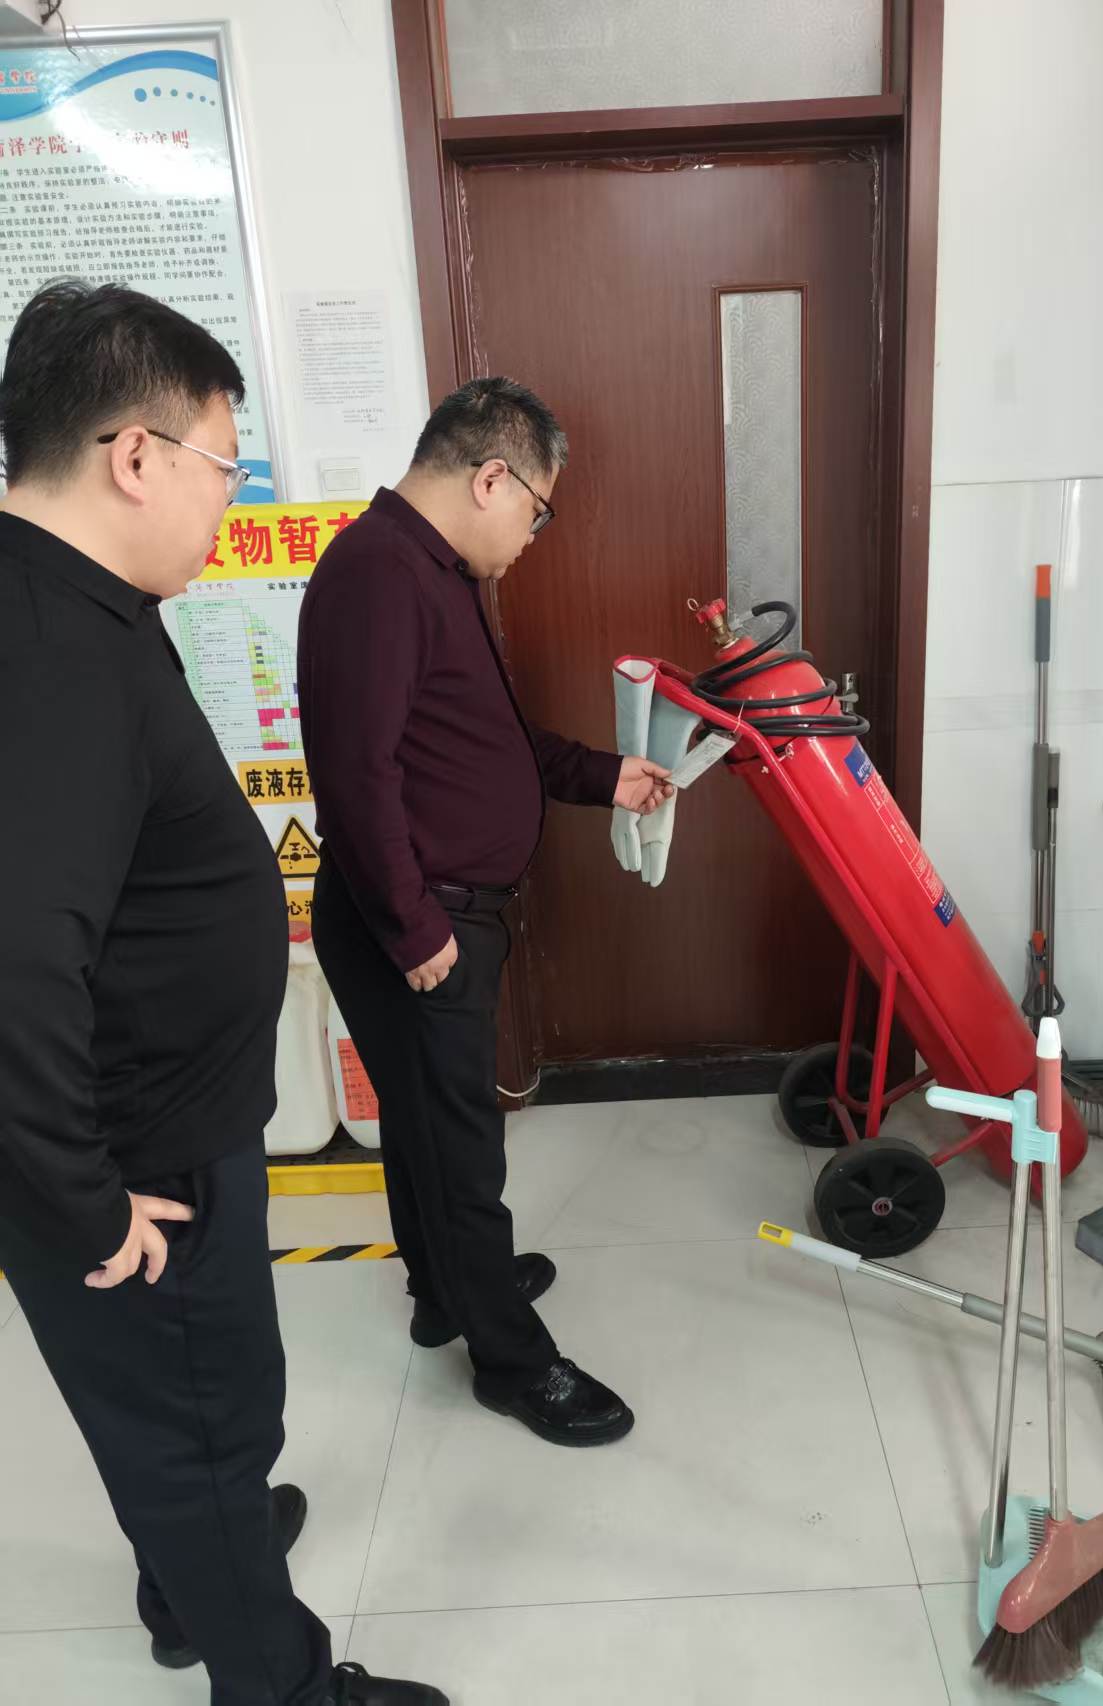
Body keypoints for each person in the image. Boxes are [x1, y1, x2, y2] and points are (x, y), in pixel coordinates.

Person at [0, 280, 446, 1706]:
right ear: (135, 454)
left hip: (146, 1122)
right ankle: (279, 1678)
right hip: (141, 1163)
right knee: (205, 1423)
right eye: (223, 465)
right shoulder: (53, 653)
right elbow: (15, 956)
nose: (228, 500)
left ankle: (192, 1572)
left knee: (170, 1424)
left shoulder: (71, 601)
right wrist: (86, 1203)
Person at [299, 378, 669, 1448]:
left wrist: (603, 776)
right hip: (417, 921)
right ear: (492, 477)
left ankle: (442, 1289)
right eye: (538, 511)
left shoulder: (434, 570)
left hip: (435, 910)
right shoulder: (378, 573)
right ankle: (512, 1361)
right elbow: (354, 776)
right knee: (462, 1146)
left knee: (425, 1125)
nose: (532, 536)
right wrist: (415, 929)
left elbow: (487, 740)